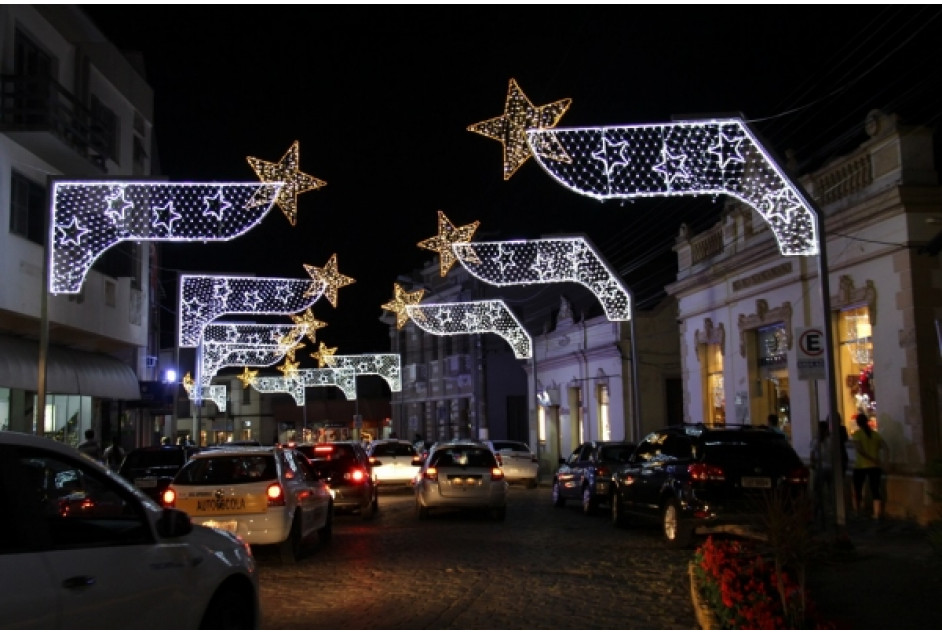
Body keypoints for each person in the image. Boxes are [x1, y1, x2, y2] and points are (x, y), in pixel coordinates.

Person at [851, 412, 888, 519]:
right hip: (875, 466)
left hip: (861, 465)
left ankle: (857, 511)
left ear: (858, 423)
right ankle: (876, 513)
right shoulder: (875, 435)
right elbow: (886, 448)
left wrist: (870, 458)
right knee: (875, 489)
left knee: (857, 489)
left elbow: (860, 450)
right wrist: (885, 461)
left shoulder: (857, 434)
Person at [810, 420, 834, 529]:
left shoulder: (816, 441)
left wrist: (813, 464)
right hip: (830, 467)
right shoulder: (831, 440)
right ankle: (831, 510)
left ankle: (817, 511)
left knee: (818, 492)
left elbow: (812, 455)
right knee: (831, 491)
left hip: (821, 468)